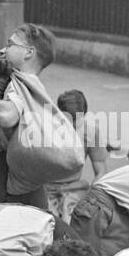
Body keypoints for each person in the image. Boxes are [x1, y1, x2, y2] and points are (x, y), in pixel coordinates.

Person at [0, 22, 57, 209]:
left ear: (28, 52)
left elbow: (4, 116)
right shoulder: (33, 87)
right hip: (25, 178)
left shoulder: (19, 85)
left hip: (4, 177)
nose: (2, 49)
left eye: (10, 44)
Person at [43, 90, 109, 224]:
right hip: (44, 190)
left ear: (84, 115)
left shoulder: (90, 131)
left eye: (76, 121)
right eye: (66, 120)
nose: (71, 126)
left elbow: (101, 171)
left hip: (73, 191)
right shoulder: (44, 129)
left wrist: (90, 197)